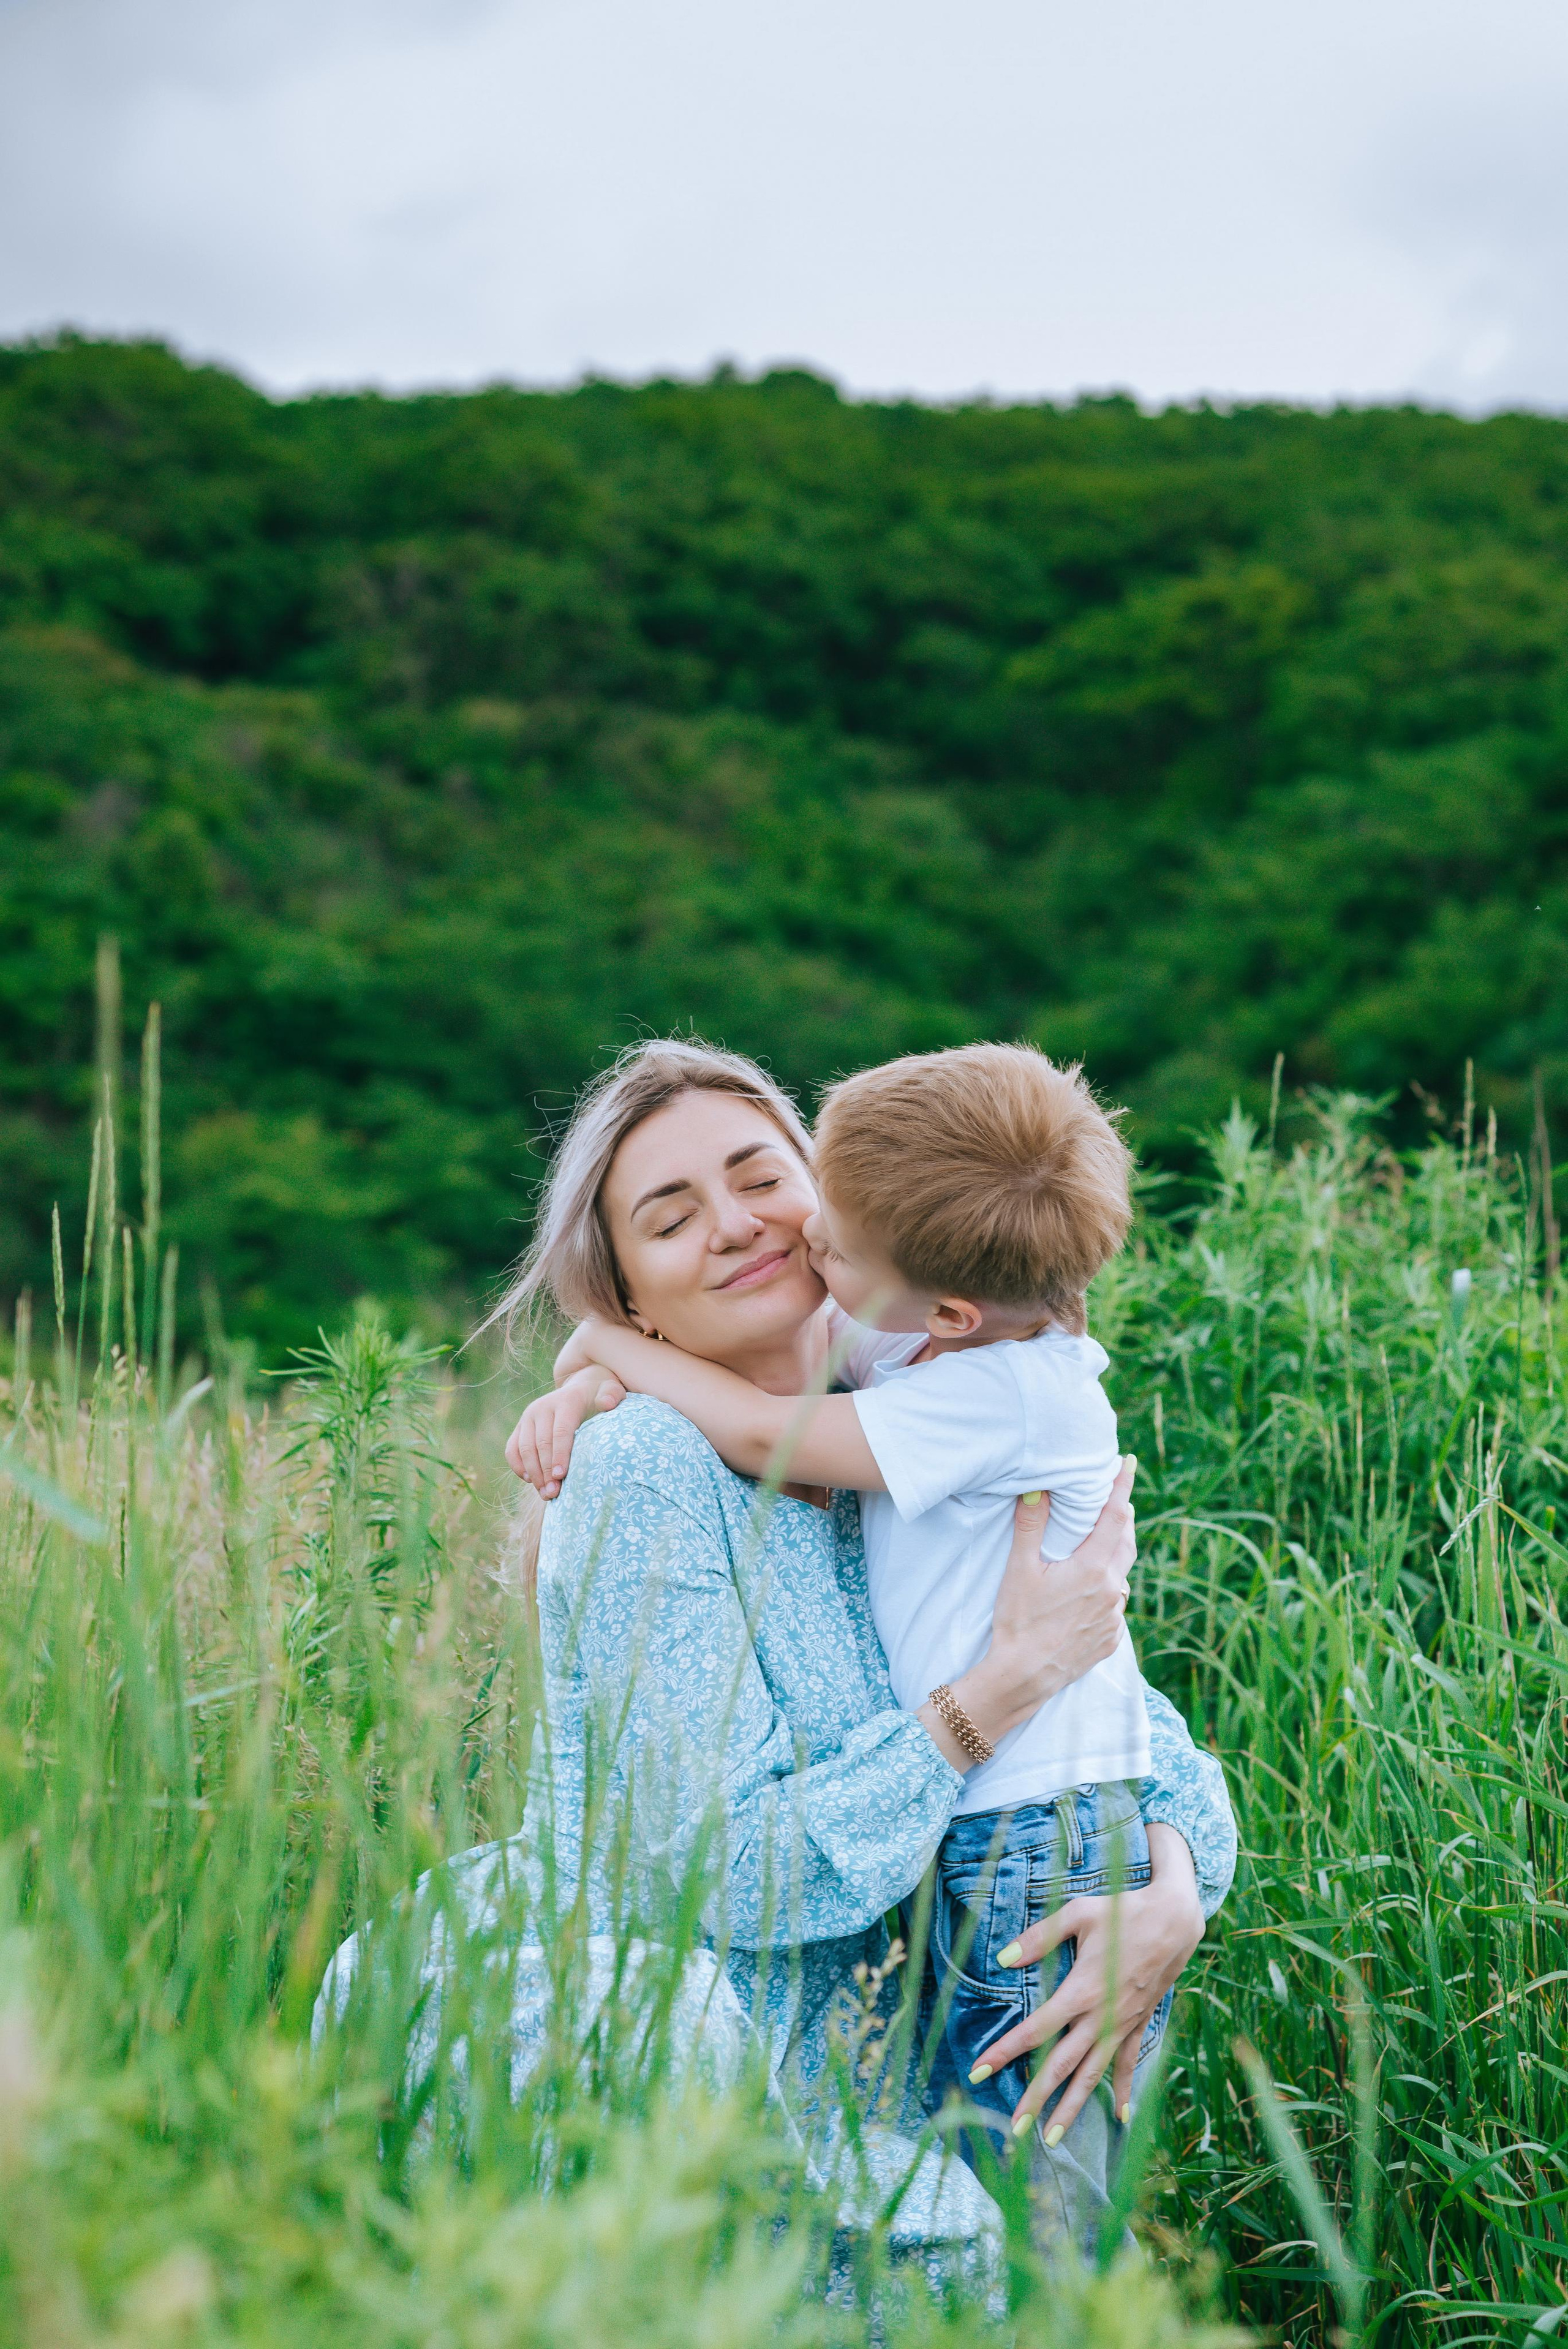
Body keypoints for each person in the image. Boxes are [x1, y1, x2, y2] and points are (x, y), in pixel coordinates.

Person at [497, 1037, 1237, 2257]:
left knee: (1049, 2256)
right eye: (671, 1217)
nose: (737, 1225)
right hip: (725, 2096)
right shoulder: (647, 1472)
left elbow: (1114, 1710)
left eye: (758, 1175)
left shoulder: (915, 1408)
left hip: (923, 2039)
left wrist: (1169, 1887)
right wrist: (984, 1699)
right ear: (626, 1292)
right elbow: (722, 1874)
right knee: (1021, 2274)